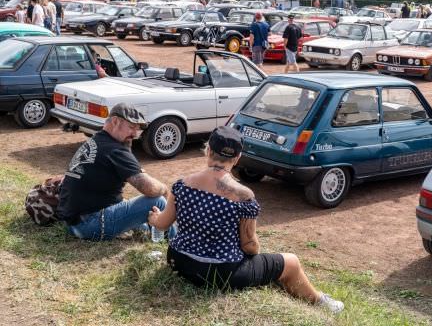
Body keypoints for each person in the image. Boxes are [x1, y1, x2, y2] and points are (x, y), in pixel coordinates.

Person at [148, 126, 344, 313]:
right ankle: (319, 301)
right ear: (238, 157)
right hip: (219, 273)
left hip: (179, 261)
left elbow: (163, 224)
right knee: (290, 262)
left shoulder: (182, 185)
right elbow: (250, 247)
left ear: (208, 150)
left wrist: (154, 217)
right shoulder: (243, 195)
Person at [57, 103, 176, 241]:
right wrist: (165, 189)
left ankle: (160, 234)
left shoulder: (97, 141)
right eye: (131, 127)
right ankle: (176, 241)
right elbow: (149, 188)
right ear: (114, 121)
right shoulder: (114, 149)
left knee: (146, 219)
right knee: (157, 201)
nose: (134, 134)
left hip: (74, 222)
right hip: (88, 224)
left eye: (137, 129)